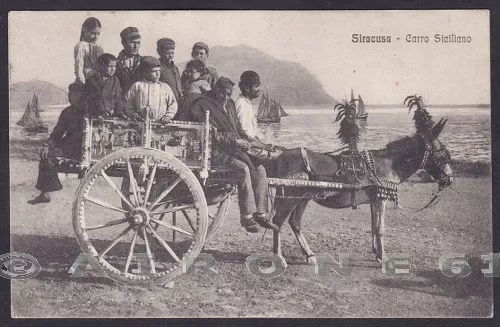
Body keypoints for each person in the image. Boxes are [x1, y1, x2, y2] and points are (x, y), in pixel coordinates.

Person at [187, 77, 274, 232]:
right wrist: (236, 141)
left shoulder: (231, 105)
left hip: (232, 149)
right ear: (216, 90)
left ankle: (261, 213)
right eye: (224, 94)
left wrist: (257, 143)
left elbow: (239, 129)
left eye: (229, 94)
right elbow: (211, 134)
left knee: (259, 169)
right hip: (214, 152)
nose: (227, 97)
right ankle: (246, 216)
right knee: (243, 169)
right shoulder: (203, 104)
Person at [28, 84, 87, 205]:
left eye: (76, 94)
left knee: (50, 154)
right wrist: (47, 145)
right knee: (46, 152)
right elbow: (57, 132)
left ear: (82, 96)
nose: (71, 96)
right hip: (69, 144)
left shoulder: (88, 113)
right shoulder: (67, 112)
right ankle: (45, 193)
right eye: (71, 94)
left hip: (81, 147)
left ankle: (51, 187)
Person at [125, 56, 178, 123]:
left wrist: (168, 116)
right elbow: (128, 102)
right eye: (154, 71)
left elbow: (173, 103)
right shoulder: (137, 86)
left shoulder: (164, 87)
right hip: (140, 122)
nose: (158, 74)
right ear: (145, 72)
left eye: (159, 71)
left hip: (160, 123)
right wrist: (132, 113)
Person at [85, 53, 125, 118]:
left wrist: (119, 113)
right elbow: (90, 100)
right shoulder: (92, 79)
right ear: (101, 66)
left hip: (110, 115)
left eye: (115, 66)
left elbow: (118, 99)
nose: (113, 69)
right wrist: (100, 112)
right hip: (95, 114)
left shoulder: (115, 80)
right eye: (110, 66)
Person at [74, 17, 104, 85]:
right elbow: (79, 66)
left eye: (98, 34)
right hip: (85, 80)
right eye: (93, 33)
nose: (96, 37)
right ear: (85, 30)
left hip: (98, 80)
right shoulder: (81, 46)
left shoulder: (99, 47)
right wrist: (82, 83)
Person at [235, 71, 262, 140]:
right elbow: (243, 134)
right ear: (246, 88)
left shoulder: (247, 103)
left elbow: (250, 133)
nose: (259, 89)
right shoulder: (241, 104)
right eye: (256, 86)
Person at [116, 27, 142, 95]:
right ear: (123, 43)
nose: (136, 46)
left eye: (138, 43)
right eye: (132, 42)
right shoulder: (116, 63)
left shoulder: (143, 62)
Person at [157, 38, 182, 103]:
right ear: (160, 52)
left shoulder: (175, 68)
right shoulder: (158, 68)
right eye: (168, 53)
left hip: (178, 102)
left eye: (172, 53)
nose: (171, 56)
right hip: (165, 102)